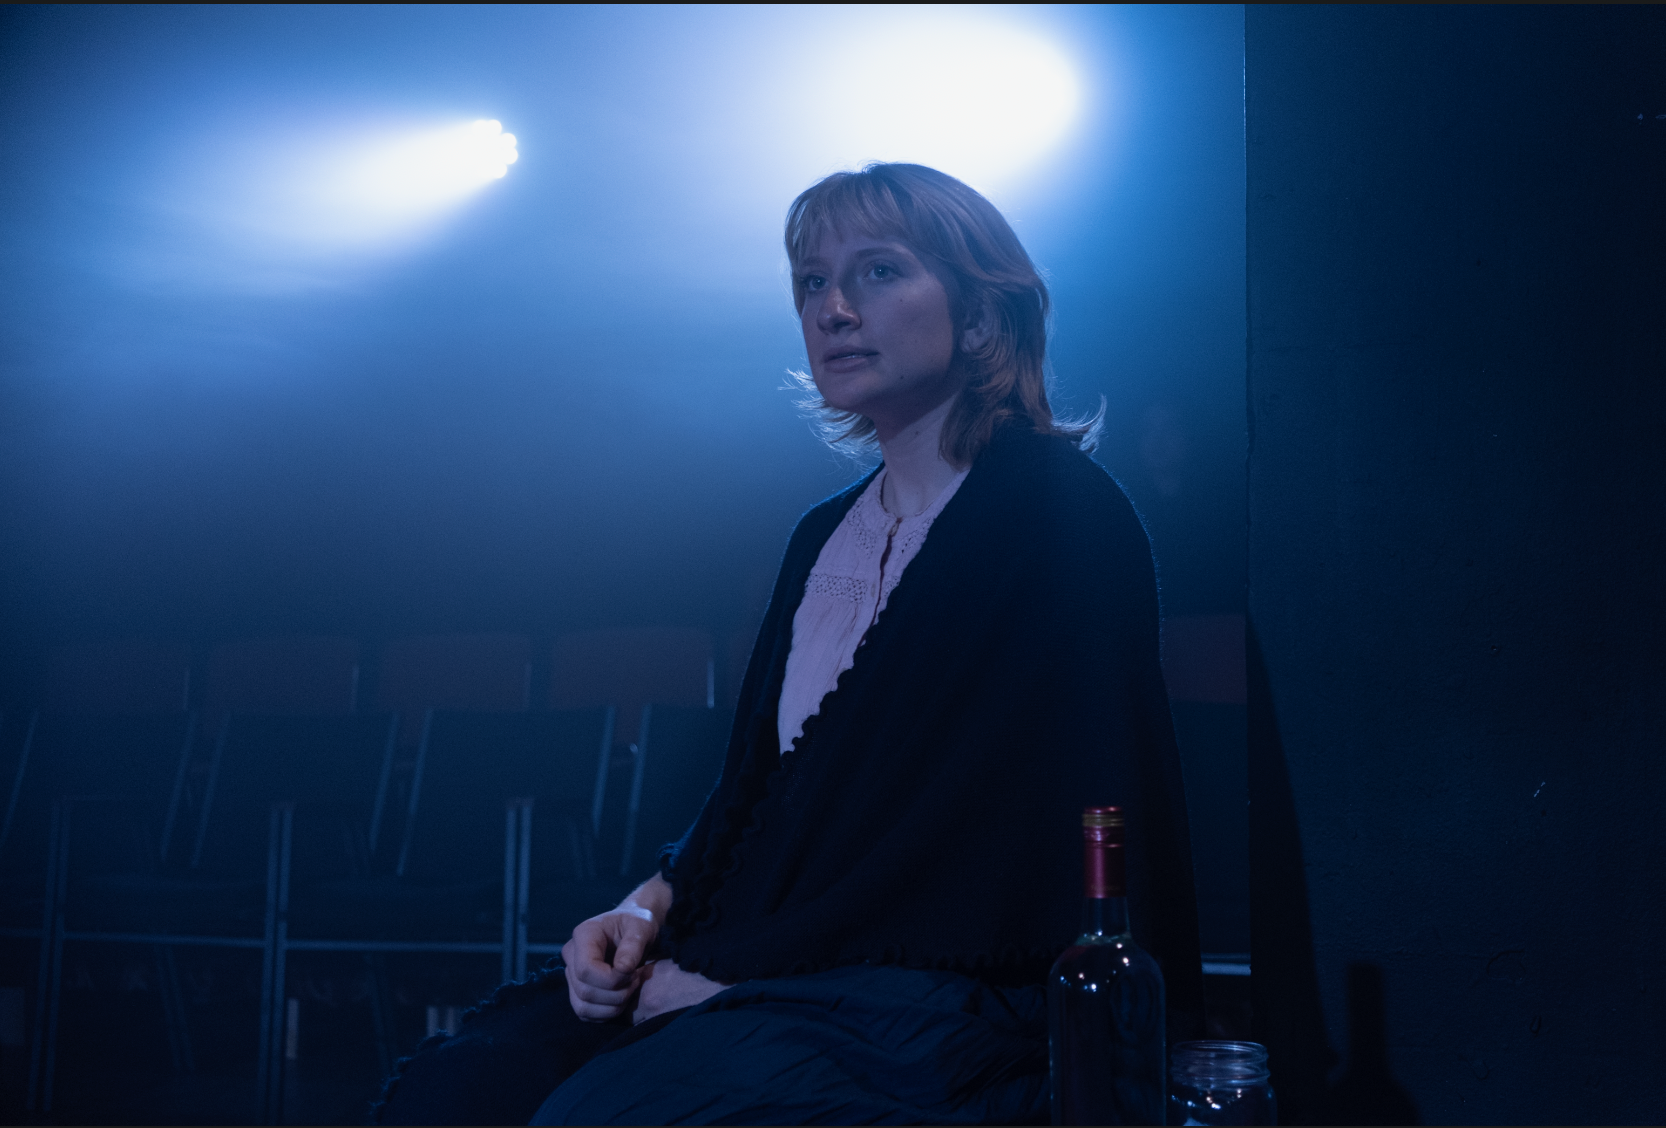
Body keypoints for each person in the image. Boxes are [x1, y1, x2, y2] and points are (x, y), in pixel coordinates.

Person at [374, 162, 1202, 1126]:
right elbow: (763, 797)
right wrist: (643, 910)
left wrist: (744, 982)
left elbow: (989, 848)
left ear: (980, 316)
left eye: (879, 271)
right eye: (813, 282)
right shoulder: (822, 535)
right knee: (462, 1086)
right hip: (787, 962)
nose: (834, 309)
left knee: (608, 1114)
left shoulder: (1060, 511)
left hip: (953, 984)